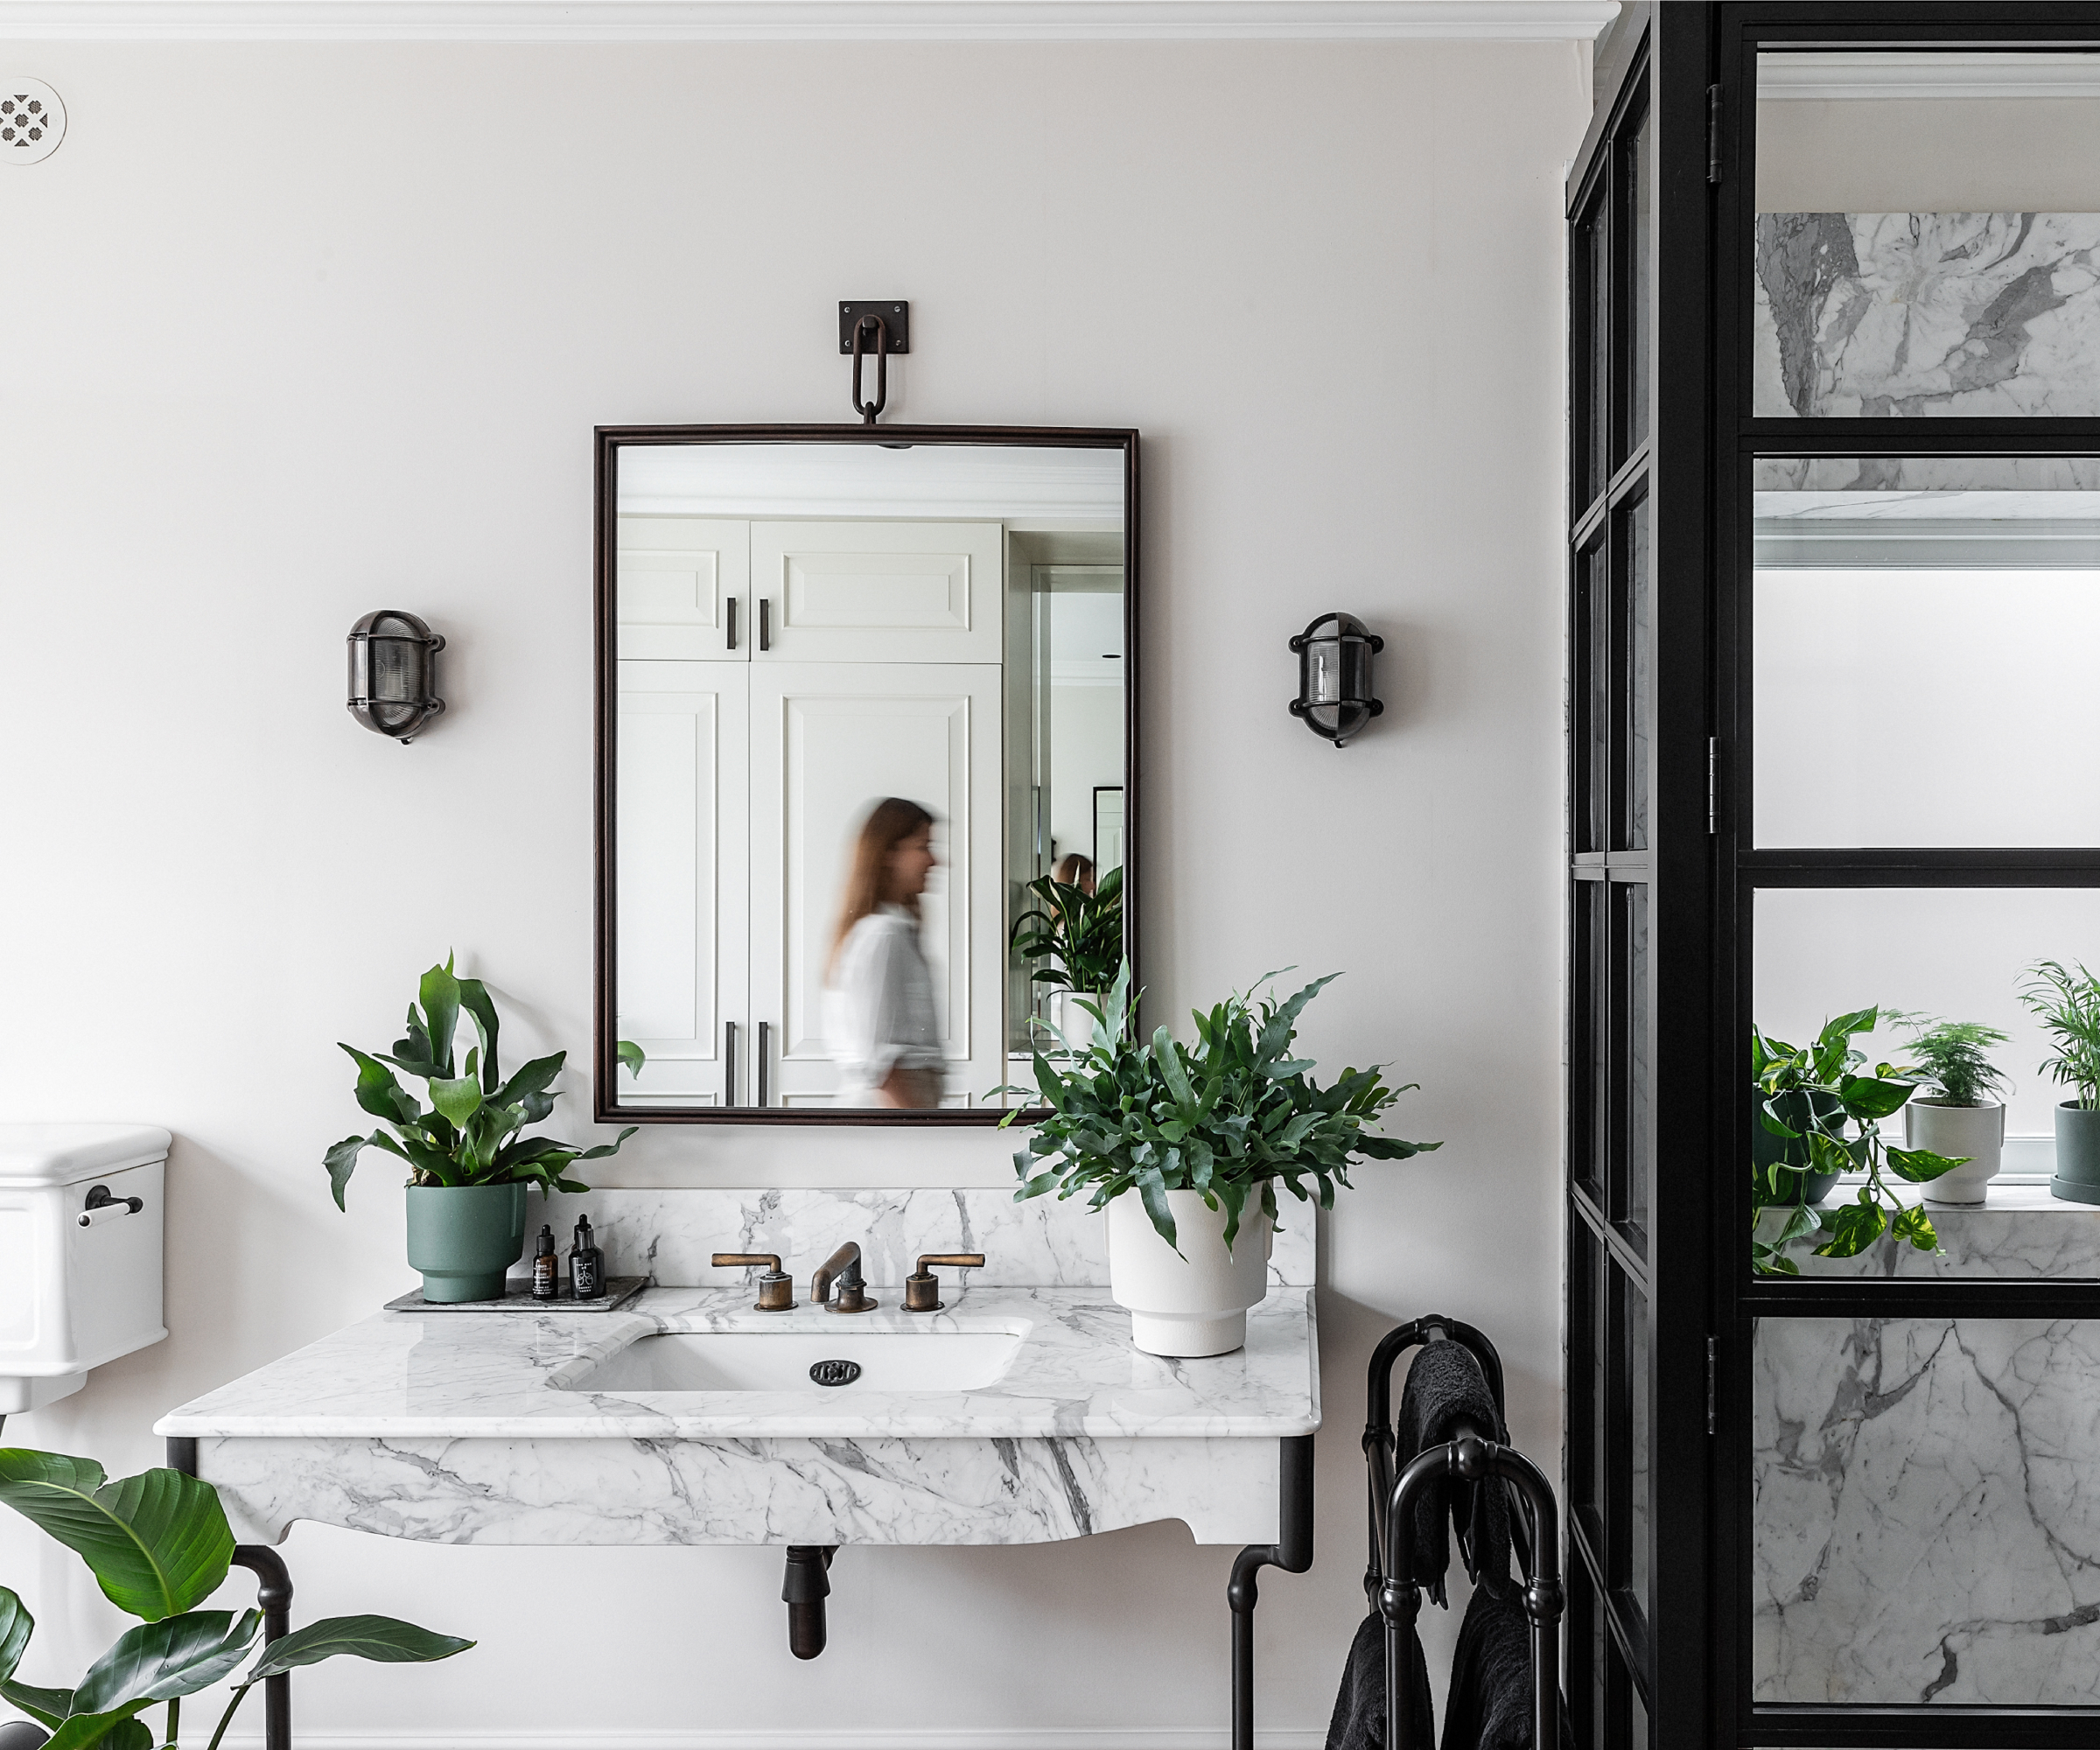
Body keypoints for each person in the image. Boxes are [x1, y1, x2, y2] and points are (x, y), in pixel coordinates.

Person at [825, 798, 945, 1108]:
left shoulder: (896, 932)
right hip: (891, 1122)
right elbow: (881, 1063)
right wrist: (920, 1137)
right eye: (922, 847)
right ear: (889, 854)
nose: (935, 860)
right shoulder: (884, 935)